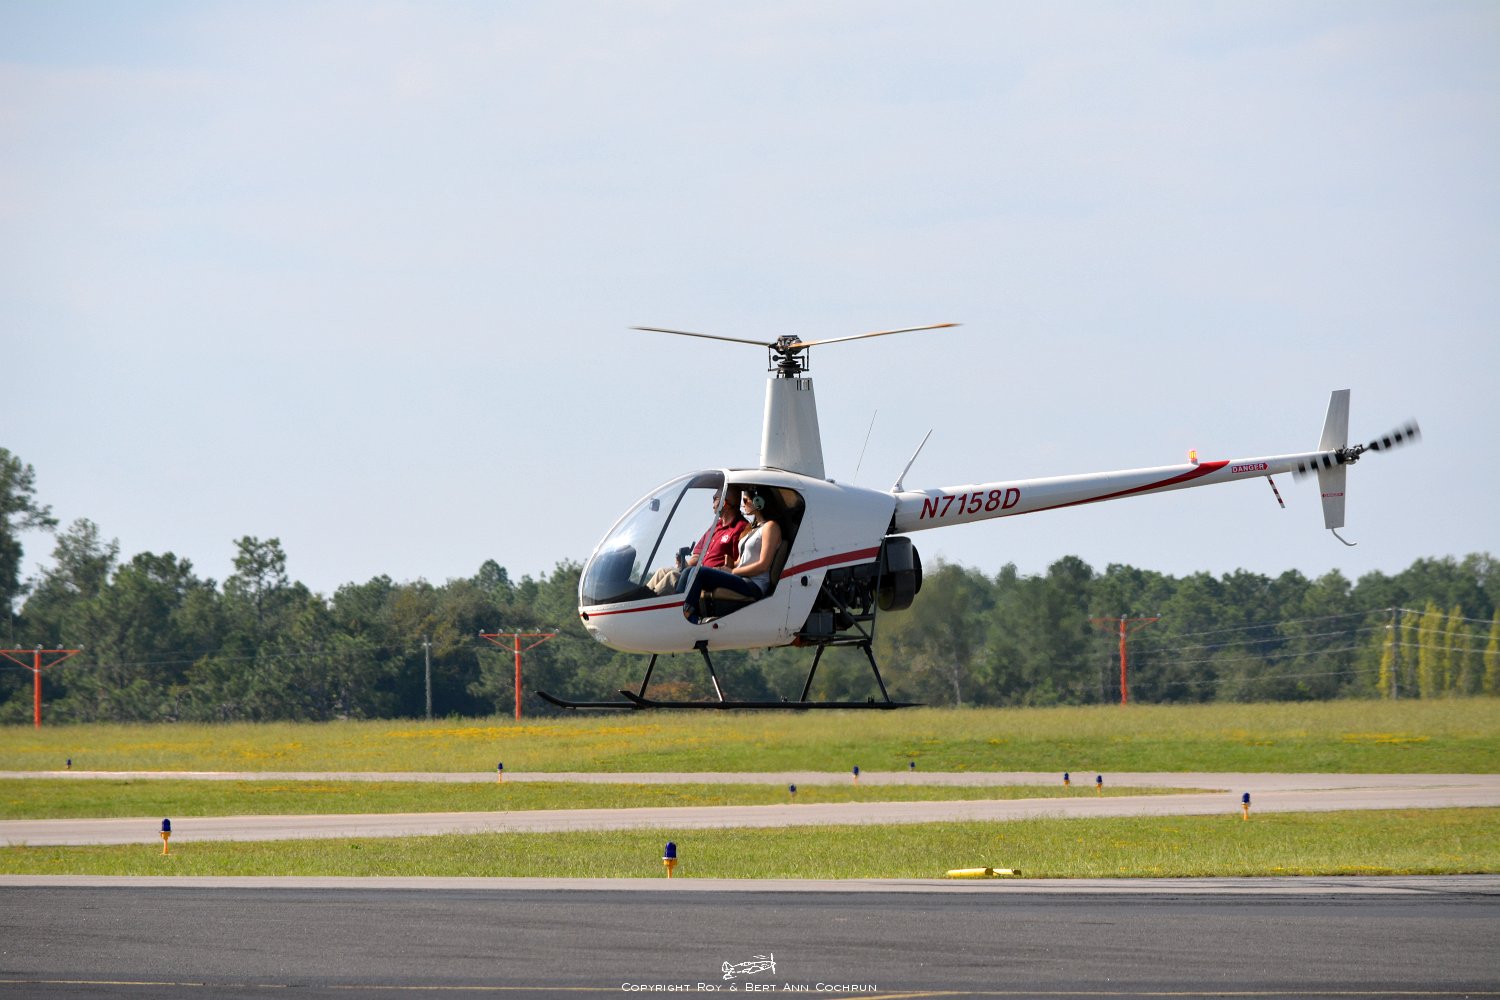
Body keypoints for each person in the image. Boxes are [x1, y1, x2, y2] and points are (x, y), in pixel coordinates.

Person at [681, 487, 782, 623]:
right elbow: (741, 560)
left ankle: (687, 616)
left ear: (758, 501)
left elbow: (763, 565)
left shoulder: (771, 527)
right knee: (688, 571)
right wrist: (729, 565)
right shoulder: (752, 528)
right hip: (741, 579)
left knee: (698, 572)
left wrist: (733, 571)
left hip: (754, 584)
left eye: (745, 500)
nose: (742, 504)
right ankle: (675, 609)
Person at [646, 487, 748, 594]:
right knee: (662, 571)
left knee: (673, 576)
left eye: (715, 498)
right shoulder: (715, 526)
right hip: (697, 573)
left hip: (714, 577)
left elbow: (740, 562)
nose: (712, 502)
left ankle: (647, 601)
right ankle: (641, 595)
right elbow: (697, 556)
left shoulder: (741, 528)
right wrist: (684, 564)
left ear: (724, 503)